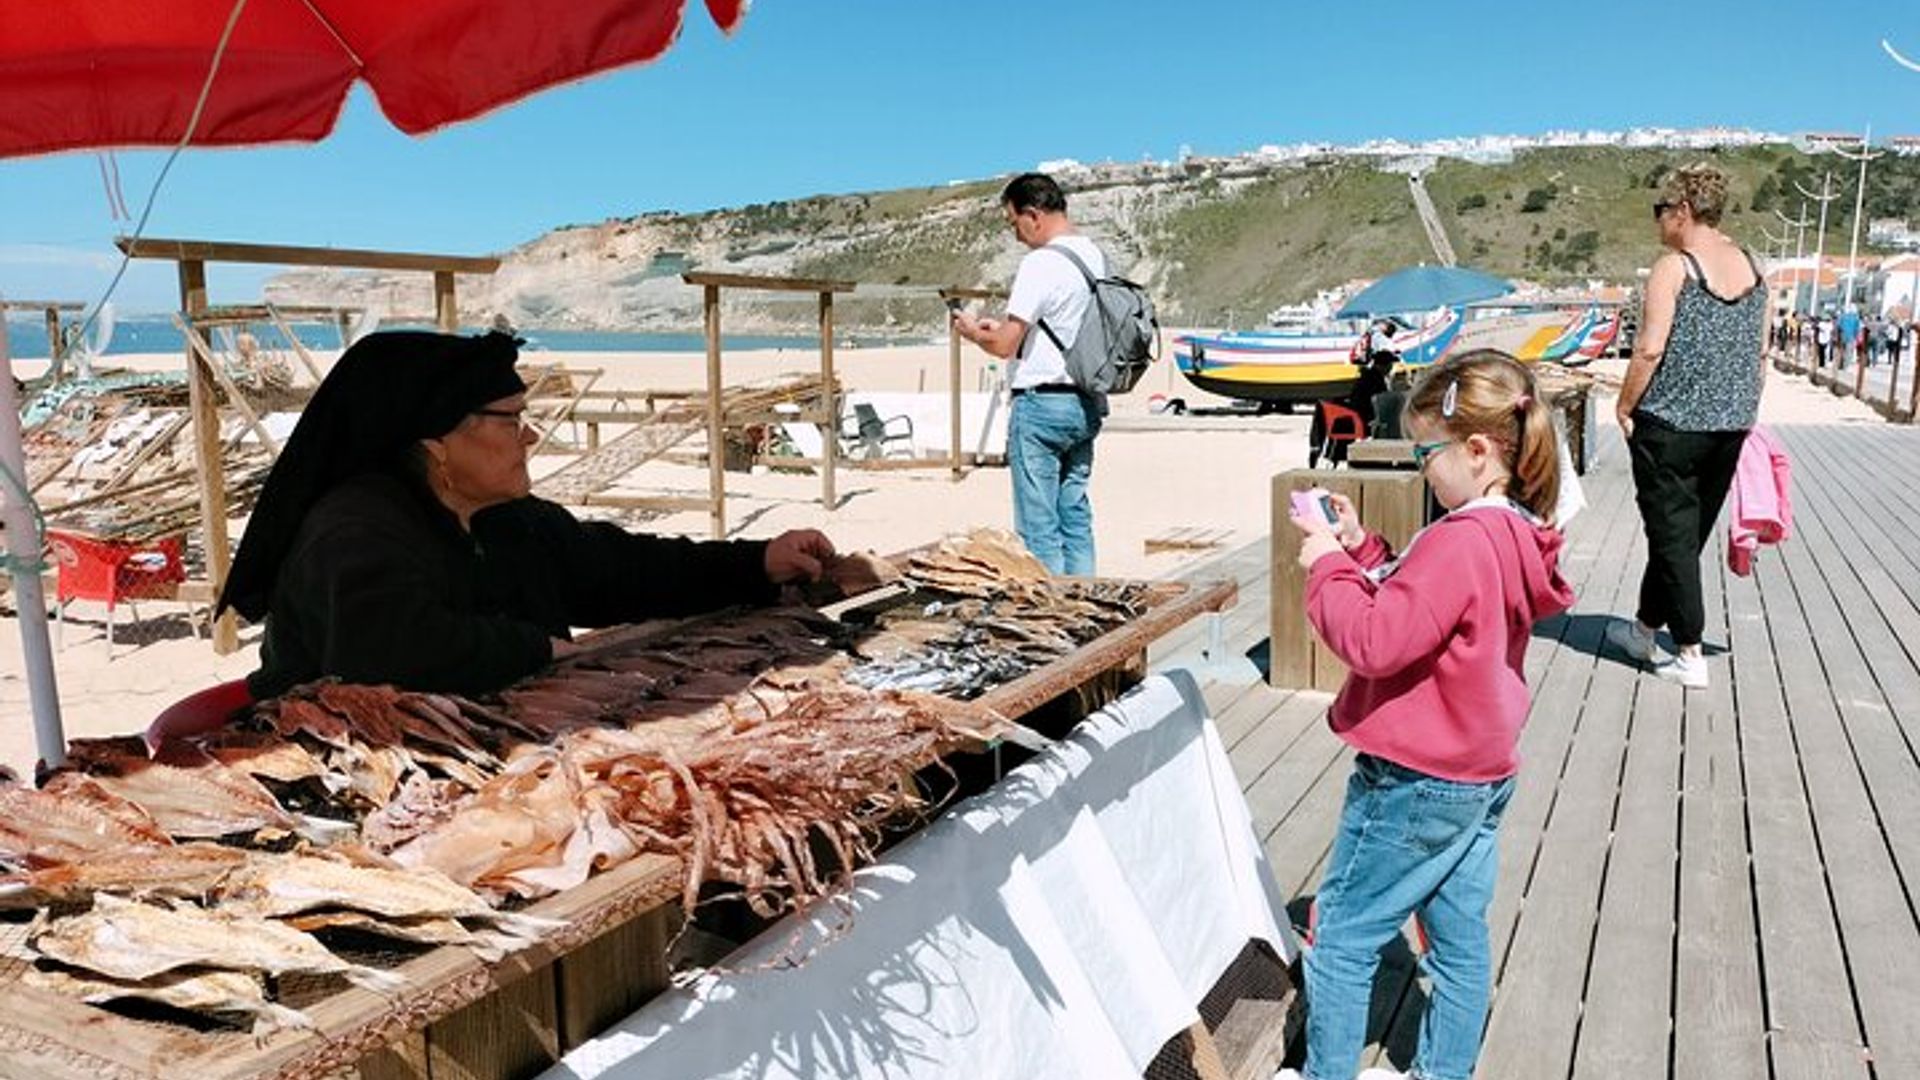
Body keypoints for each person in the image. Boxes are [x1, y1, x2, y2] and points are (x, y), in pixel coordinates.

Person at [216, 330, 837, 701]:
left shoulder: (505, 520)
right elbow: (392, 653)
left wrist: (758, 561)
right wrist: (538, 645)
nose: (531, 435)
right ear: (436, 442)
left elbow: (625, 569)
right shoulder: (354, 530)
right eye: (510, 420)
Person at [1277, 350, 1574, 1080]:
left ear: (1476, 451)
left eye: (1425, 454)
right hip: (1480, 773)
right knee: (1458, 939)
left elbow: (1375, 640)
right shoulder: (1511, 533)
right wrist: (1361, 548)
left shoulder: (1458, 540)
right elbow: (1427, 605)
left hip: (1416, 779)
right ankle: (1444, 1071)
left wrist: (1325, 565)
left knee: (1344, 937)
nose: (1420, 470)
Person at [1610, 163, 1766, 690]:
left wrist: (1624, 406)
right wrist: (1745, 411)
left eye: (1661, 211)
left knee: (1673, 535)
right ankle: (1643, 629)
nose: (1657, 222)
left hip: (1671, 425)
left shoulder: (1675, 267)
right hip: (1730, 425)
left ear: (1682, 211)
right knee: (1682, 535)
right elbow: (1760, 354)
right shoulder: (1752, 266)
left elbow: (1650, 347)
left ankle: (1689, 650)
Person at [953, 172, 1107, 575]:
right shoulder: (1094, 257)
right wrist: (1000, 333)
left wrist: (973, 333)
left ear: (1033, 215)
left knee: (1038, 527)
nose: (1016, 235)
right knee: (1075, 516)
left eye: (1014, 223)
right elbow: (1060, 329)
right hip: (1086, 400)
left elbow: (1006, 345)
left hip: (1041, 404)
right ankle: (1087, 613)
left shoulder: (1040, 263)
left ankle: (1055, 621)